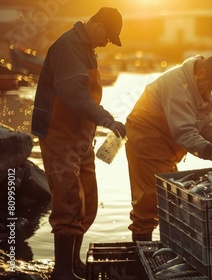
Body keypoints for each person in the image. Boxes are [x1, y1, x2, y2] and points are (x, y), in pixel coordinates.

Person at [30, 7, 126, 280]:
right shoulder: (70, 46)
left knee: (87, 201)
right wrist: (107, 119)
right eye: (108, 36)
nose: (107, 43)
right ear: (98, 25)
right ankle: (62, 272)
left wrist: (102, 125)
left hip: (80, 137)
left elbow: (86, 98)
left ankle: (73, 264)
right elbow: (75, 97)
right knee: (68, 200)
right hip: (59, 136)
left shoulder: (86, 47)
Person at [125, 55, 212, 241]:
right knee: (150, 200)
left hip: (167, 145)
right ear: (201, 74)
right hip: (146, 139)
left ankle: (167, 246)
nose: (210, 91)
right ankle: (141, 253)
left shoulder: (199, 88)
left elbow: (205, 124)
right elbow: (184, 132)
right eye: (211, 85)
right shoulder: (177, 85)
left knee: (170, 199)